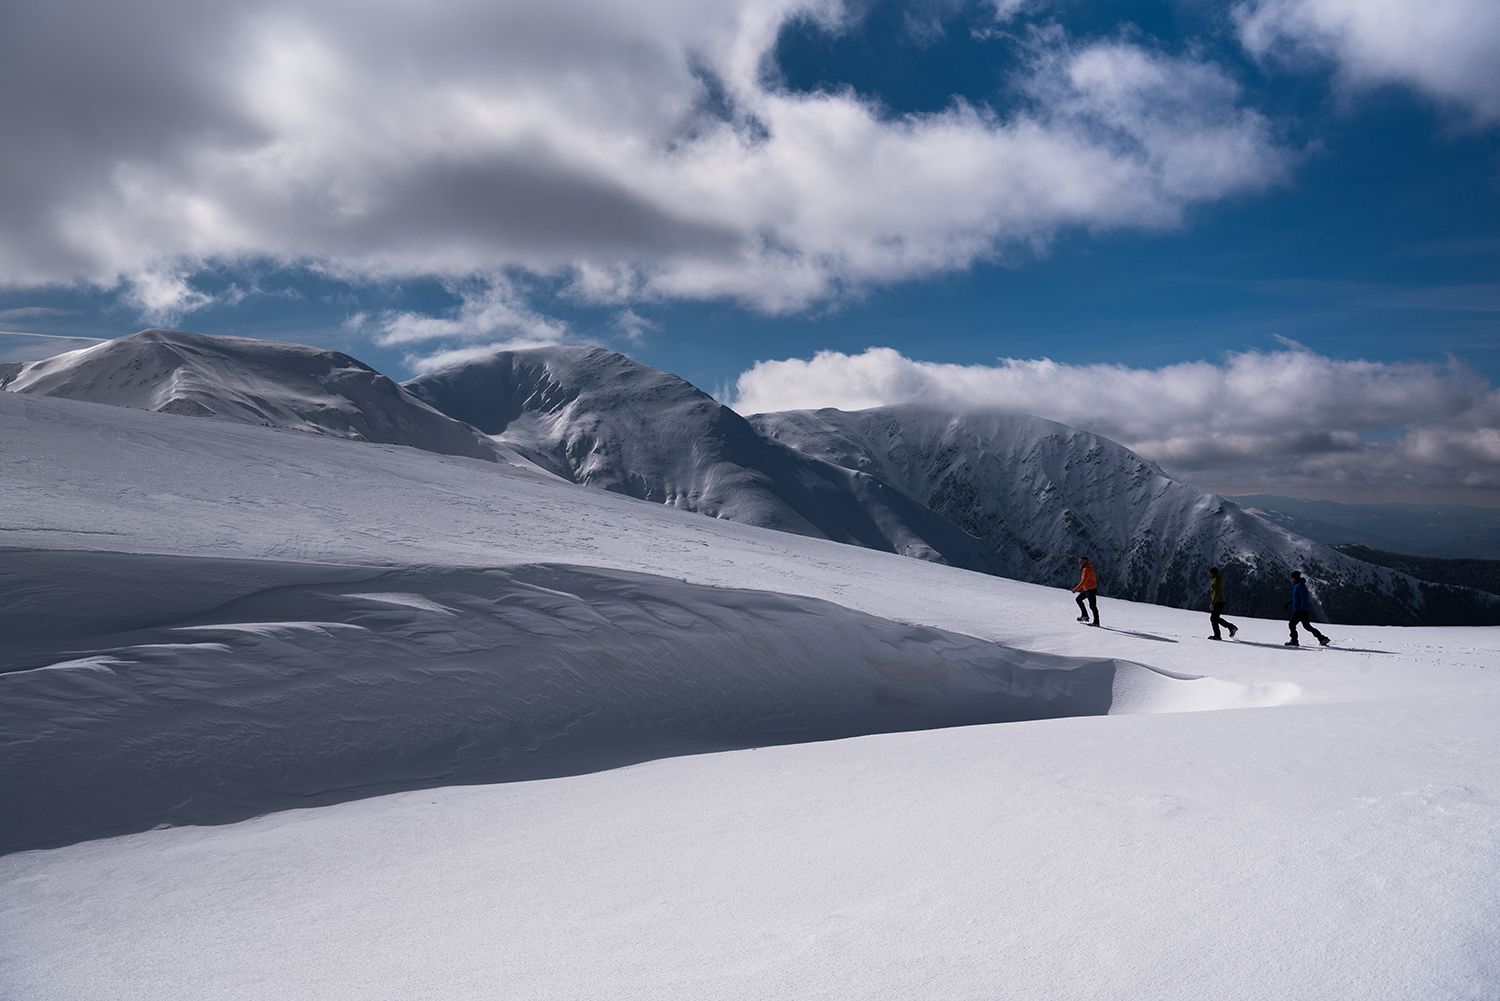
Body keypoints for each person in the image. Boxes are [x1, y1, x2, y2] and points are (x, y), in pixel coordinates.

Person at [1284, 571, 1330, 647]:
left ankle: (1294, 641)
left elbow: (1304, 598)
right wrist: (1288, 603)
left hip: (1300, 610)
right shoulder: (1297, 585)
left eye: (1291, 577)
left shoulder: (1299, 586)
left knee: (1292, 624)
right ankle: (1322, 638)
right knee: (1307, 626)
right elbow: (1296, 597)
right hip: (1303, 609)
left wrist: (1302, 609)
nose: (1290, 578)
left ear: (1294, 578)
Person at [1207, 566, 1238, 641]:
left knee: (1214, 618)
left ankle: (1218, 635)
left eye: (1210, 573)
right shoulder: (1218, 578)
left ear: (1213, 573)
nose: (1209, 574)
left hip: (1218, 601)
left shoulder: (1217, 580)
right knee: (1215, 618)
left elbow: (1216, 593)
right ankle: (1230, 627)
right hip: (1220, 601)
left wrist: (1213, 603)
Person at [1073, 556, 1100, 627]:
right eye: (1079, 561)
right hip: (1087, 589)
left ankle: (1096, 622)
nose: (1080, 563)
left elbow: (1084, 581)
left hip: (1090, 589)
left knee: (1092, 605)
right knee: (1079, 599)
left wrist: (1076, 589)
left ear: (1085, 561)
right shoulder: (1086, 568)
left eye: (1081, 561)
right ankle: (1085, 615)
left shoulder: (1086, 570)